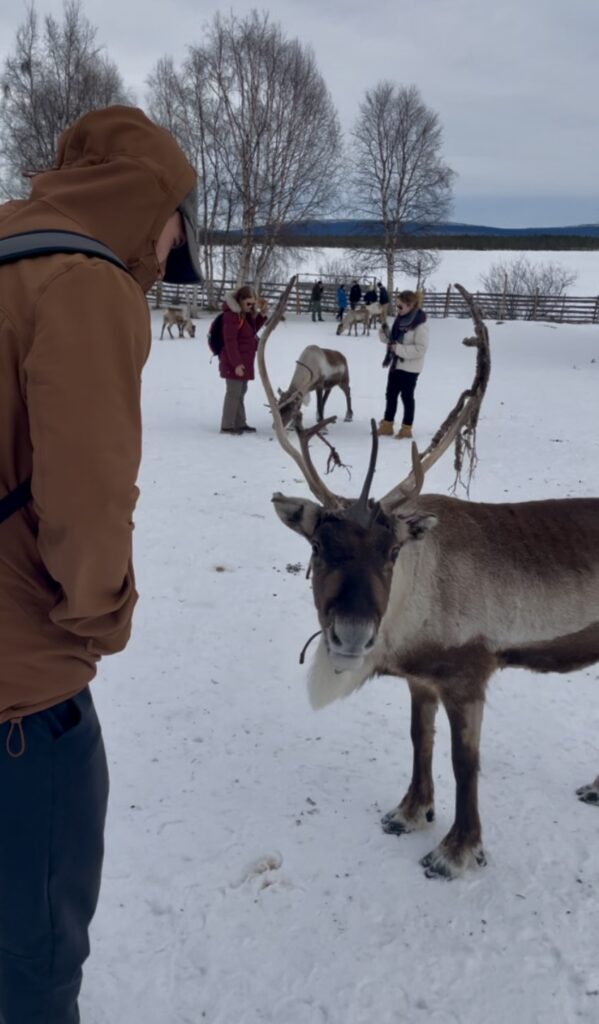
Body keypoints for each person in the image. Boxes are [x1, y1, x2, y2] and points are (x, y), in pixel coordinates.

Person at [0, 104, 202, 1023]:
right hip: (22, 695)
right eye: (176, 220)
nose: (174, 245)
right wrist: (101, 616)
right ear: (148, 203)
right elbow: (85, 502)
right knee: (37, 951)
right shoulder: (83, 284)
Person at [377, 289, 429, 439]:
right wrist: (384, 331)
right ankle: (387, 425)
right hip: (396, 365)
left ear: (410, 305)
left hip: (410, 369)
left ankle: (406, 429)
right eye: (397, 305)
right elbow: (391, 340)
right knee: (390, 395)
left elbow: (421, 349)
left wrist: (398, 349)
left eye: (400, 306)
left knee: (407, 397)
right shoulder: (400, 320)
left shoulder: (420, 325)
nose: (397, 309)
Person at [219, 286, 269, 433]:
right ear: (240, 300)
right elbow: (230, 342)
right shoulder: (231, 316)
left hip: (244, 360)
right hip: (234, 362)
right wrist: (237, 364)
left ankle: (240, 423)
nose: (251, 307)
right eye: (248, 303)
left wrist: (262, 316)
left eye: (253, 304)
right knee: (233, 393)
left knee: (240, 393)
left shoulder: (244, 314)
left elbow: (250, 331)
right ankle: (227, 426)